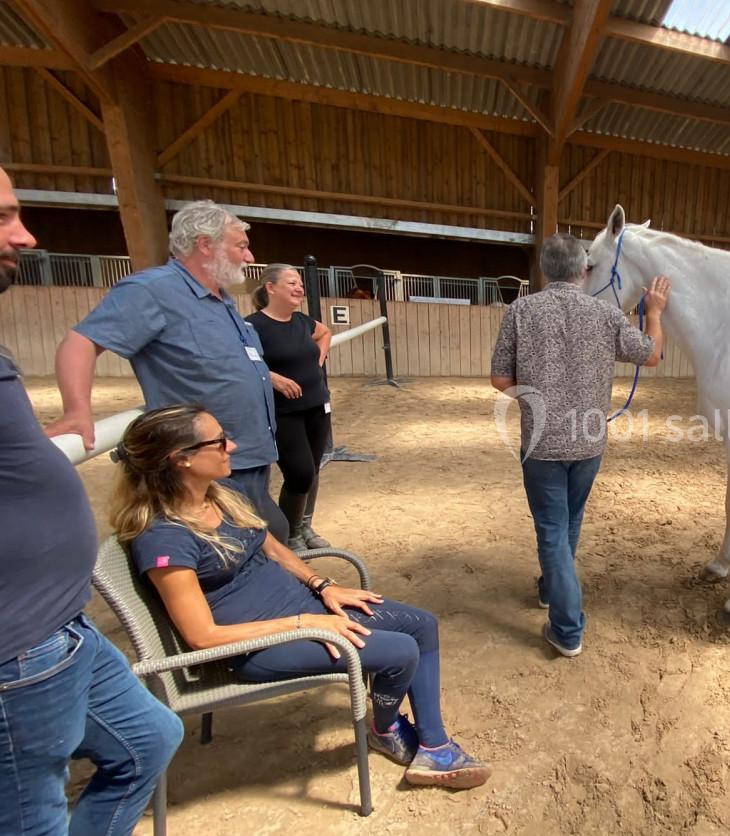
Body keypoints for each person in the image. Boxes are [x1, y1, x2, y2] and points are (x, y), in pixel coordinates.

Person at [110, 404, 491, 789]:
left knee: (422, 626)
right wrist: (306, 624)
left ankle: (433, 745)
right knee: (400, 651)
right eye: (220, 441)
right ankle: (384, 728)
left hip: (301, 608)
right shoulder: (165, 538)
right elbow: (202, 637)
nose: (233, 446)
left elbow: (272, 548)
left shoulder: (221, 495)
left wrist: (322, 586)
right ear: (182, 460)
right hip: (259, 645)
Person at [0, 166, 184, 836]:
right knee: (29, 828)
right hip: (17, 647)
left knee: (149, 738)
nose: (25, 232)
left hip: (62, 625)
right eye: (3, 217)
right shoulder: (153, 291)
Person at [47, 200, 289, 543]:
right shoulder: (153, 290)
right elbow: (81, 341)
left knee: (269, 537)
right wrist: (77, 409)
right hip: (203, 462)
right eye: (241, 246)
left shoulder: (223, 300)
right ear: (205, 244)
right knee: (237, 550)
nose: (249, 257)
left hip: (248, 456)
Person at [490, 232, 670, 657]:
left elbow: (500, 380)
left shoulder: (521, 311)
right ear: (584, 269)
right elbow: (651, 356)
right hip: (589, 441)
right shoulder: (605, 315)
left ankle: (567, 628)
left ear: (544, 270)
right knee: (568, 524)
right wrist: (656, 313)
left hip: (541, 444)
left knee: (553, 530)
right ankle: (552, 590)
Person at [246, 264, 333, 551]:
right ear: (271, 288)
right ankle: (291, 534)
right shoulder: (253, 326)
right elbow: (237, 360)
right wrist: (270, 377)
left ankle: (305, 526)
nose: (299, 288)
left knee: (313, 468)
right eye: (292, 283)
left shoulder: (303, 322)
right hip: (285, 411)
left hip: (317, 404)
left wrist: (318, 361)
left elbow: (325, 333)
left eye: (300, 284)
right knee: (299, 472)